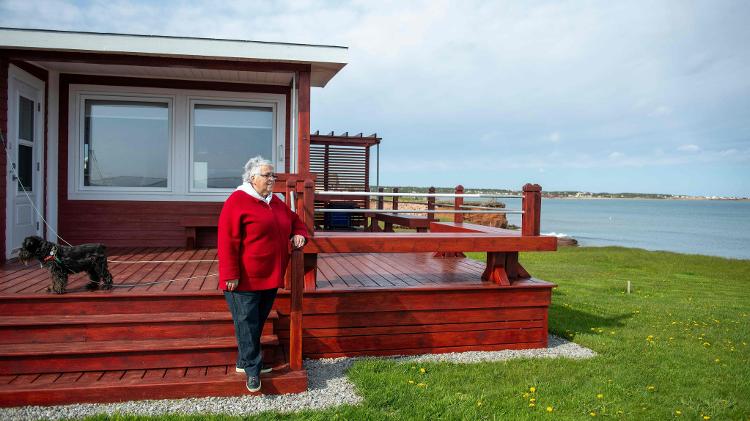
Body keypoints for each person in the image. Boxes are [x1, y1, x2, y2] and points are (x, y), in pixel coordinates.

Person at [218, 156, 307, 393]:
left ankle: (243, 361)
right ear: (252, 178)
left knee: (253, 324)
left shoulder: (274, 201)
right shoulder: (237, 201)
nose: (272, 179)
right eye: (267, 175)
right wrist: (230, 274)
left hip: (269, 277)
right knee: (246, 323)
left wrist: (298, 234)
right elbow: (227, 241)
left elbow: (295, 220)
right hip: (243, 279)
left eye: (273, 175)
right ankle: (253, 370)